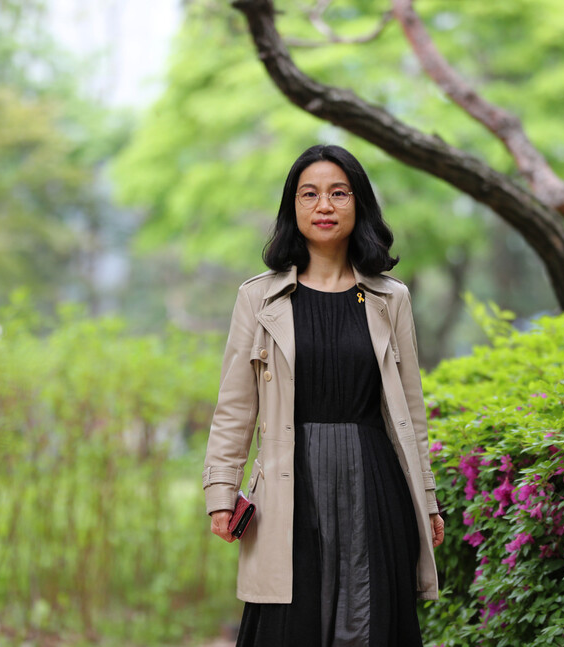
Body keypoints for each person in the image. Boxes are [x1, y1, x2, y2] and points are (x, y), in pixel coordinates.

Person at [202, 144, 444, 647]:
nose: (325, 206)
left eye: (339, 193)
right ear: (293, 207)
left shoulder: (389, 297)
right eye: (310, 194)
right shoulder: (258, 298)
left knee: (373, 623)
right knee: (290, 626)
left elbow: (410, 412)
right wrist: (220, 493)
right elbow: (235, 407)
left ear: (360, 205)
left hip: (374, 484)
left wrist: (427, 499)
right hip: (290, 486)